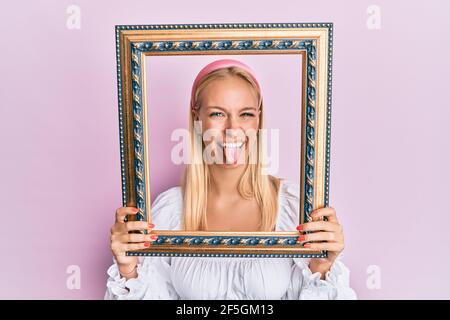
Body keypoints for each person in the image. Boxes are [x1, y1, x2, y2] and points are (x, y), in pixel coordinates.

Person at [105, 59, 357, 299]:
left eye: (246, 114)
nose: (233, 129)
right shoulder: (170, 210)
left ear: (259, 119)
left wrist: (322, 269)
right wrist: (128, 270)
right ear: (197, 118)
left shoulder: (293, 207)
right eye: (217, 114)